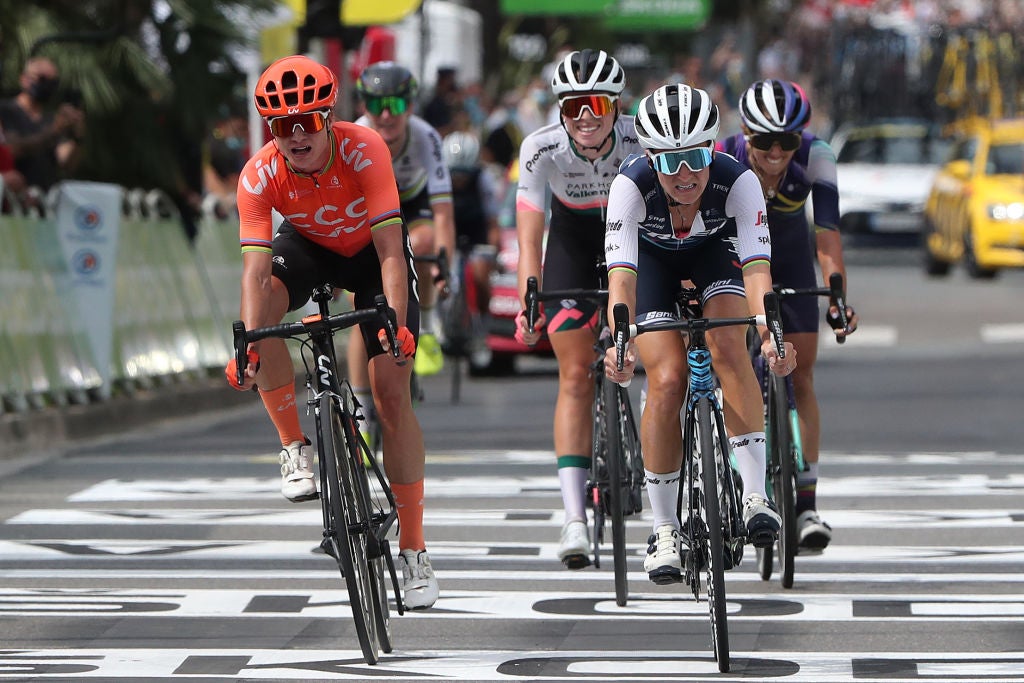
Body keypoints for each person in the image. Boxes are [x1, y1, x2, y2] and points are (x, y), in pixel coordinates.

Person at [225, 55, 438, 609]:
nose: (295, 136)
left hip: (371, 257)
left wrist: (393, 322)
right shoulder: (258, 174)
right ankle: (293, 445)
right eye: (280, 126)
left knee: (391, 395)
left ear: (327, 117)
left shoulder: (365, 148)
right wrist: (249, 340)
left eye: (305, 122)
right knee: (264, 302)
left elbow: (392, 250)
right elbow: (253, 268)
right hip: (310, 250)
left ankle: (414, 548)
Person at [601, 83, 797, 585]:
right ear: (650, 158)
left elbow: (756, 269)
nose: (684, 174)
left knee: (730, 344)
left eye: (694, 157)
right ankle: (664, 528)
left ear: (711, 147)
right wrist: (619, 342)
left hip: (715, 255)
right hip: (654, 268)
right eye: (669, 162)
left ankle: (755, 492)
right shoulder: (629, 186)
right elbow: (621, 277)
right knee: (666, 379)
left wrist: (769, 332)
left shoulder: (740, 181)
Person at [513, 49, 645, 570]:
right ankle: (573, 518)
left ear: (616, 105)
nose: (584, 117)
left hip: (632, 238)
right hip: (570, 240)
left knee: (662, 360)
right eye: (571, 108)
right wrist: (531, 294)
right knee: (572, 375)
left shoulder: (642, 137)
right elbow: (531, 228)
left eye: (594, 104)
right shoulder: (540, 148)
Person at [718, 79, 858, 552]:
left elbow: (828, 233)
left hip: (793, 257)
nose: (776, 152)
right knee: (732, 362)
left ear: (802, 139)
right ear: (746, 135)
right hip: (736, 258)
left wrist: (837, 296)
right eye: (764, 141)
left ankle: (806, 503)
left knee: (802, 376)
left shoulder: (818, 157)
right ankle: (742, 479)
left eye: (788, 142)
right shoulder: (724, 157)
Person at [349, 62, 455, 430]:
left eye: (395, 104)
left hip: (411, 204)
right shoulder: (354, 137)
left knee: (422, 241)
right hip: (366, 210)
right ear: (363, 106)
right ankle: (361, 415)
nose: (386, 114)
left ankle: (425, 325)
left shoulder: (426, 137)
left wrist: (444, 264)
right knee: (360, 307)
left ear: (409, 106)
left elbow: (443, 213)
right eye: (376, 104)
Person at [441, 130, 501, 357]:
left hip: (476, 234)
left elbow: (492, 219)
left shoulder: (483, 179)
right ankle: (440, 322)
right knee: (440, 274)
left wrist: (493, 250)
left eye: (464, 174)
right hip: (449, 231)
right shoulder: (439, 177)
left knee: (480, 274)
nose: (459, 180)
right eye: (454, 174)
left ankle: (482, 326)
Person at [0, 56, 84, 191]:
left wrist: (77, 135)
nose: (47, 85)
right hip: (13, 200)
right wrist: (55, 131)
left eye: (53, 82)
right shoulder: (5, 111)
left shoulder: (51, 119)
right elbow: (10, 150)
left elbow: (67, 163)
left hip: (44, 201)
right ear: (23, 79)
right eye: (42, 79)